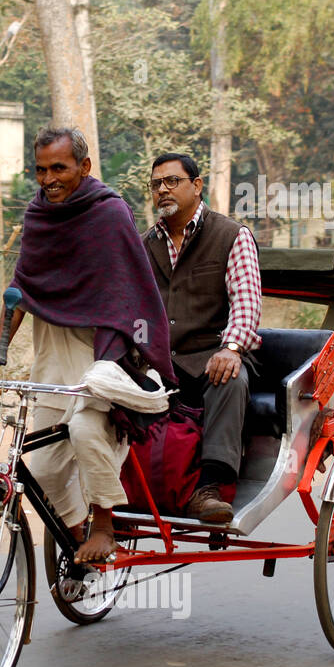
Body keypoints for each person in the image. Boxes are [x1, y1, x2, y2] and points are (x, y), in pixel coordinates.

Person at [0, 127, 176, 565]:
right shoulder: (38, 215)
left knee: (85, 430)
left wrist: (116, 357)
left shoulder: (110, 213)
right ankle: (76, 531)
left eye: (59, 168)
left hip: (103, 349)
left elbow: (128, 293)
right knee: (38, 468)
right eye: (41, 170)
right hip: (51, 349)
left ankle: (104, 522)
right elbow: (20, 288)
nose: (49, 179)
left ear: (84, 167)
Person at [143, 152, 262, 524]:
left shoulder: (231, 235)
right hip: (161, 361)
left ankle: (210, 488)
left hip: (213, 354)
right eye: (156, 184)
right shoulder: (144, 243)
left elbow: (246, 302)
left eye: (172, 181)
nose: (163, 189)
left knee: (229, 377)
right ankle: (123, 485)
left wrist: (231, 348)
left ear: (197, 186)